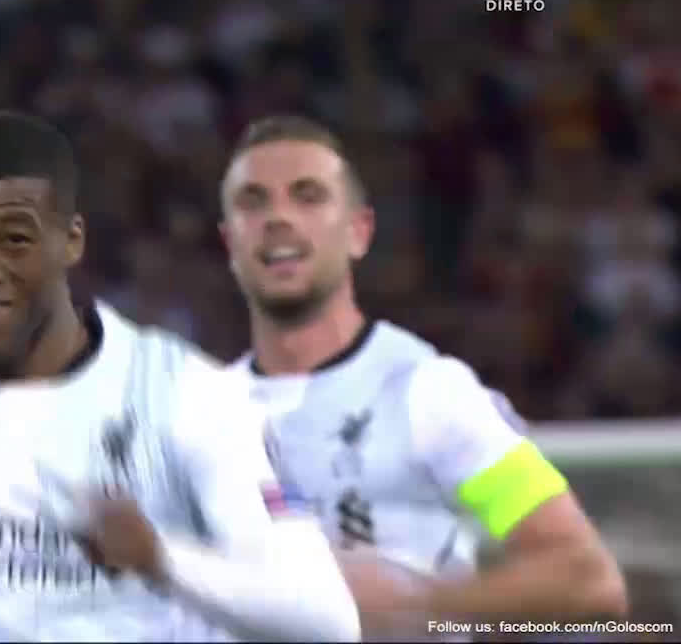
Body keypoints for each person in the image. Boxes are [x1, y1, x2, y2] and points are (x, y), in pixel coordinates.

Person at [0, 110, 361, 642]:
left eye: (14, 239)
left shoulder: (181, 391)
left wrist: (160, 558)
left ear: (71, 240)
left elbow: (326, 621)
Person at [217, 115, 628, 637]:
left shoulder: (428, 392)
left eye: (308, 196)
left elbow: (589, 582)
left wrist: (417, 604)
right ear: (229, 243)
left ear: (359, 232)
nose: (278, 217)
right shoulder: (200, 415)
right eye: (254, 201)